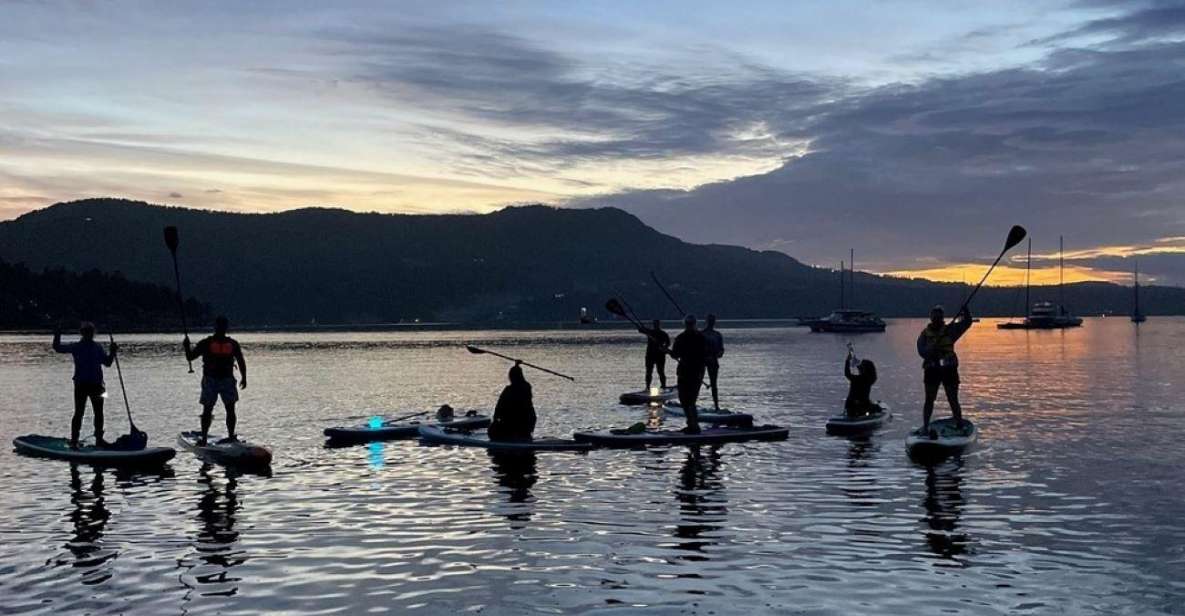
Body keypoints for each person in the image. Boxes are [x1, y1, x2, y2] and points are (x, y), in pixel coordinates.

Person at [184, 316, 247, 446]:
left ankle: (229, 436)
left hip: (225, 379)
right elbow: (190, 357)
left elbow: (240, 361)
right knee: (209, 409)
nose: (221, 328)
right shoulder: (207, 343)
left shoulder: (231, 344)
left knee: (229, 409)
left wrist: (244, 377)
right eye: (220, 326)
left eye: (223, 326)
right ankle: (205, 438)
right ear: (217, 327)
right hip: (212, 379)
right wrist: (186, 347)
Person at [53, 322, 117, 449]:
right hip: (82, 385)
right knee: (80, 413)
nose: (88, 335)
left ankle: (98, 440)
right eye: (86, 333)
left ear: (93, 334)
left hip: (96, 385)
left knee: (98, 413)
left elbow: (108, 363)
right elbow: (57, 348)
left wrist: (112, 352)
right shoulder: (77, 347)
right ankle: (74, 440)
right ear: (82, 333)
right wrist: (57, 333)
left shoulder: (97, 348)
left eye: (90, 333)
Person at [917, 305, 973, 434]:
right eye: (935, 317)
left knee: (952, 398)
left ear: (942, 318)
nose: (937, 319)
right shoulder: (924, 335)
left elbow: (967, 323)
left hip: (948, 369)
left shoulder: (950, 330)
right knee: (929, 399)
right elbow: (921, 351)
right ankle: (926, 426)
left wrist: (965, 311)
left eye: (939, 317)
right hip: (932, 369)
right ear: (931, 318)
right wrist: (929, 351)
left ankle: (959, 424)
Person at [669, 314, 708, 434]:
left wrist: (668, 351)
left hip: (688, 372)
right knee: (689, 400)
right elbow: (706, 353)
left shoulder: (682, 337)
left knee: (687, 400)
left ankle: (693, 425)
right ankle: (692, 424)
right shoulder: (701, 337)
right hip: (696, 372)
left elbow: (675, 354)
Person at [489, 363, 536, 441]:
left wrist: (495, 421)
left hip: (515, 425)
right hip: (526, 425)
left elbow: (498, 408)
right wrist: (516, 366)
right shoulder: (526, 387)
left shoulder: (509, 390)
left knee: (493, 428)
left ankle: (514, 435)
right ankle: (521, 435)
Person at [844, 350, 879, 417]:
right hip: (862, 407)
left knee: (869, 405)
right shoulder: (869, 380)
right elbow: (864, 370)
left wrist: (848, 360)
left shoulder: (855, 379)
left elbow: (847, 373)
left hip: (850, 407)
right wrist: (853, 360)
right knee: (877, 408)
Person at [638, 319, 670, 390]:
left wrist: (664, 347)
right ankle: (647, 387)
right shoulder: (650, 332)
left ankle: (663, 386)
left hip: (660, 355)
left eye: (657, 324)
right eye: (655, 324)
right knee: (649, 372)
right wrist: (642, 327)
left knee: (661, 371)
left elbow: (668, 343)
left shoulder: (663, 333)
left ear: (659, 325)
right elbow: (640, 330)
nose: (656, 325)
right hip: (650, 355)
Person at [701, 314, 724, 410]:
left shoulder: (717, 335)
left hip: (713, 361)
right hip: (701, 361)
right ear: (707, 321)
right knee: (697, 383)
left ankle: (716, 406)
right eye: (710, 320)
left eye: (712, 321)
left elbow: (721, 350)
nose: (711, 322)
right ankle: (692, 404)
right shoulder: (700, 334)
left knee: (714, 384)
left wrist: (718, 354)